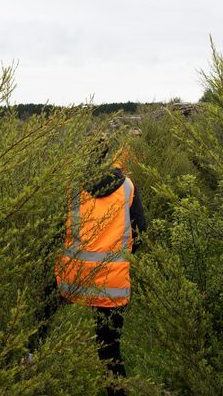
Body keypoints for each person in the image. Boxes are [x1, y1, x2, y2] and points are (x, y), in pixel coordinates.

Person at [55, 146, 147, 396]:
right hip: (113, 281)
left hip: (72, 277)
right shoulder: (127, 187)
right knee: (109, 348)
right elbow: (141, 230)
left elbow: (56, 231)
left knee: (42, 319)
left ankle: (28, 361)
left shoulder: (72, 187)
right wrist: (122, 258)